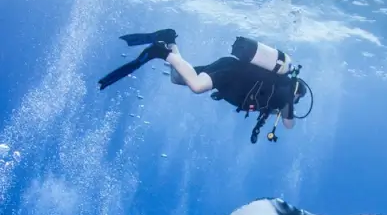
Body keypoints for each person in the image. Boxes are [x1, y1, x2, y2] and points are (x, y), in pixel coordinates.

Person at [98, 29, 310, 142]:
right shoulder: (285, 96)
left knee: (178, 78)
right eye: (298, 98)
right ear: (296, 92)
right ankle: (161, 53)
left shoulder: (276, 93)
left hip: (228, 68)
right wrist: (285, 108)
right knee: (197, 86)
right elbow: (289, 125)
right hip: (230, 73)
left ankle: (170, 42)